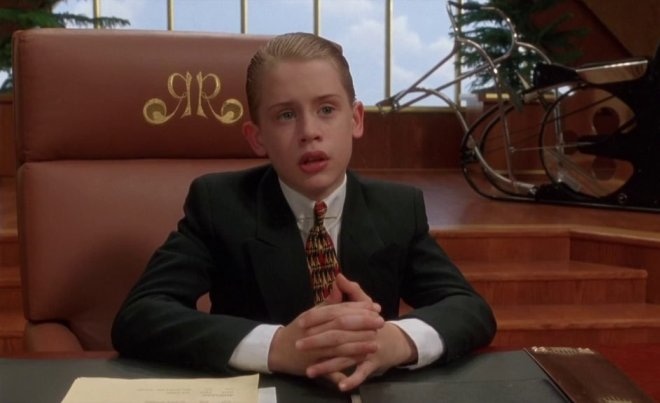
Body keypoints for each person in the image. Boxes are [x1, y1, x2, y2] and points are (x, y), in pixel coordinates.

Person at [111, 32, 496, 392]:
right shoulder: (220, 204)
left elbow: (469, 309)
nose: (309, 131)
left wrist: (395, 341)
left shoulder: (396, 208)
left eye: (326, 109)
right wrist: (277, 345)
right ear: (257, 137)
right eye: (285, 115)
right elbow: (140, 316)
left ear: (356, 119)